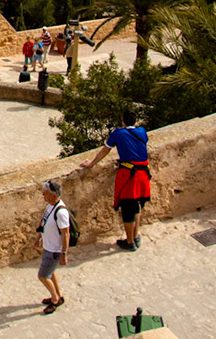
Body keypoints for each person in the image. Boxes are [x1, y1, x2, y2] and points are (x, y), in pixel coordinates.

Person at [81, 106, 151, 251]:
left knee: (127, 208)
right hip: (143, 174)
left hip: (129, 176)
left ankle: (130, 242)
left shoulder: (118, 134)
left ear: (123, 121)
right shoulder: (142, 131)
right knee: (136, 205)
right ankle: (136, 236)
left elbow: (105, 150)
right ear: (135, 120)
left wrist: (91, 163)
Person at [38, 179, 71, 313]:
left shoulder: (61, 212)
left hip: (54, 250)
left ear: (53, 195)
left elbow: (66, 234)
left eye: (45, 193)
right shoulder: (50, 206)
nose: (43, 195)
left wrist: (64, 253)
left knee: (42, 276)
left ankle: (55, 299)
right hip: (48, 246)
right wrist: (38, 237)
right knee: (50, 273)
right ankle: (58, 294)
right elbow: (44, 222)